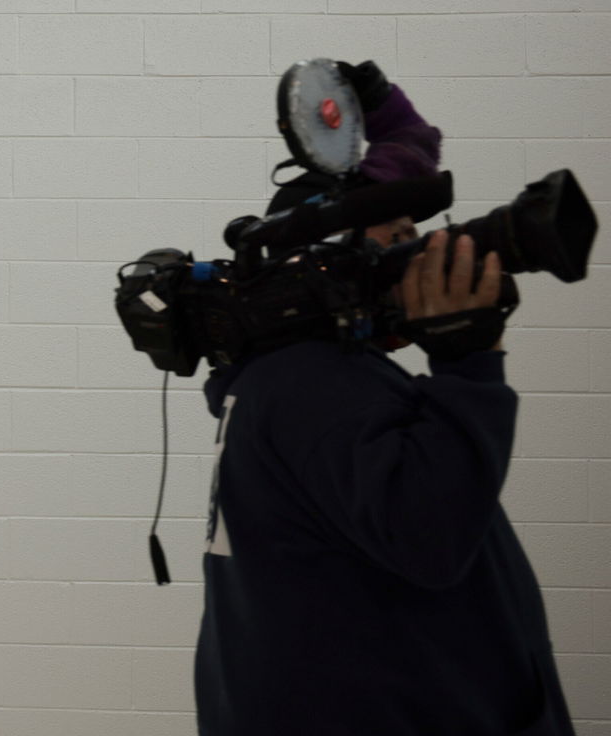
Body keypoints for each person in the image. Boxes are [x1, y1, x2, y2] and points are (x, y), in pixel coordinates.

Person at [193, 66, 574, 735]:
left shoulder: (290, 376)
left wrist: (376, 101)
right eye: (398, 239)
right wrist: (467, 365)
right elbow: (429, 534)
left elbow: (407, 155)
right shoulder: (309, 382)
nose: (422, 252)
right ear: (328, 258)